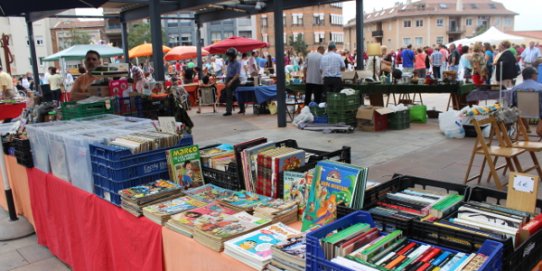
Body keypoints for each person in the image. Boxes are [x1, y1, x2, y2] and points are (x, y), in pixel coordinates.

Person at [511, 67, 542, 136]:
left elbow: (512, 103)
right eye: (536, 74)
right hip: (539, 112)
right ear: (533, 75)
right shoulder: (540, 87)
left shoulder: (515, 88)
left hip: (521, 113)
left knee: (517, 108)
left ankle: (524, 127)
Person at [223, 47, 243, 116]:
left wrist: (231, 81)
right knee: (228, 96)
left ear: (233, 56)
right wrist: (226, 80)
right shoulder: (228, 62)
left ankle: (242, 109)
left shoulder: (238, 63)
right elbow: (227, 71)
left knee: (238, 95)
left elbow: (237, 74)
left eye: (229, 56)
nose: (228, 57)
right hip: (228, 79)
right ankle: (228, 111)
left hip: (235, 80)